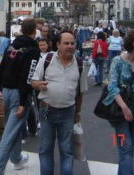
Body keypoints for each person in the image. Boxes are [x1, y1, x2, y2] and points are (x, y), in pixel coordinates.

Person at [31, 31, 87, 175]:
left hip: (67, 112)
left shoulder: (79, 64)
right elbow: (33, 81)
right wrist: (39, 85)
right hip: (47, 111)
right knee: (45, 149)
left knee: (67, 150)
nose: (70, 46)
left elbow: (80, 92)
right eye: (66, 43)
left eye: (72, 43)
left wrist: (78, 113)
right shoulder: (47, 60)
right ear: (58, 45)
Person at [0, 18, 41, 174]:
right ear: (34, 32)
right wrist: (23, 100)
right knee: (8, 136)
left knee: (12, 129)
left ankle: (16, 158)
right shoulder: (33, 50)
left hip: (6, 91)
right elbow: (27, 76)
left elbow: (0, 71)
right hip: (19, 93)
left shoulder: (11, 46)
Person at [104, 29, 134, 175]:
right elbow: (111, 86)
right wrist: (124, 107)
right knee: (125, 148)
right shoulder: (117, 61)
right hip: (120, 107)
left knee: (129, 148)